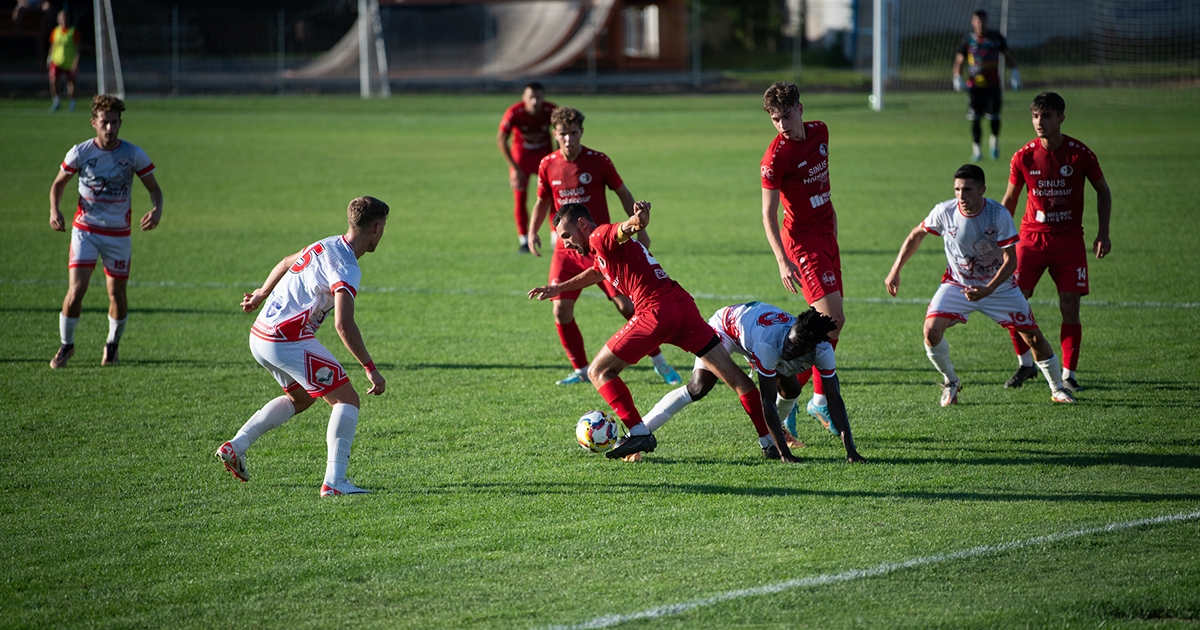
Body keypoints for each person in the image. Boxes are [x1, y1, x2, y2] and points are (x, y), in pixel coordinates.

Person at [529, 202, 799, 463]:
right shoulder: (602, 252)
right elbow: (597, 271)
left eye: (566, 235)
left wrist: (636, 222)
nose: (565, 243)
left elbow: (620, 230)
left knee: (598, 371)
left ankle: (638, 432)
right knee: (736, 378)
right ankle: (768, 442)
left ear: (582, 224)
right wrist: (558, 288)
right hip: (682, 307)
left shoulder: (599, 236)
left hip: (656, 312)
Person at [216, 196, 389, 497]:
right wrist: (370, 369)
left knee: (303, 398)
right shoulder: (347, 267)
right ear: (376, 228)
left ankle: (236, 446)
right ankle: (335, 483)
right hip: (286, 338)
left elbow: (286, 262)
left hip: (260, 335)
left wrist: (260, 293)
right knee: (347, 400)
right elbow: (343, 325)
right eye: (384, 226)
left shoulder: (325, 243)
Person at [884, 164, 1075, 406]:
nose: (961, 196)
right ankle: (951, 382)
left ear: (982, 189)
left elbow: (1011, 260)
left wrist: (988, 290)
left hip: (1000, 288)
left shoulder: (998, 214)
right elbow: (916, 235)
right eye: (957, 189)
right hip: (958, 284)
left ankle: (1058, 389)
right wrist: (894, 271)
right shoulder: (944, 211)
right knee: (931, 331)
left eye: (967, 190)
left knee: (1033, 338)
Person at [528, 106, 681, 387]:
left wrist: (639, 227)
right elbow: (541, 201)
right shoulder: (548, 164)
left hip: (602, 248)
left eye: (574, 133)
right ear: (555, 134)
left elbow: (623, 193)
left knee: (627, 306)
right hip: (568, 251)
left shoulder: (598, 161)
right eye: (563, 134)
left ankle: (660, 363)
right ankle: (581, 370)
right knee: (560, 309)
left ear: (581, 133)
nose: (569, 139)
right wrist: (532, 231)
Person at [642, 303, 866, 462]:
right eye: (790, 343)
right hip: (725, 327)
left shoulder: (822, 349)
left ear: (810, 349)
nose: (789, 350)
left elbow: (835, 398)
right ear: (791, 331)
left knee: (792, 388)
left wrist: (851, 450)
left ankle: (774, 436)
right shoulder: (770, 344)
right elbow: (766, 400)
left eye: (796, 349)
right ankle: (640, 432)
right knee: (699, 386)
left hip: (751, 331)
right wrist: (784, 455)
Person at [998, 92, 1112, 392]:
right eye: (1035, 116)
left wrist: (1103, 232)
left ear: (1061, 118)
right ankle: (1025, 364)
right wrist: (998, 237)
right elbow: (1010, 199)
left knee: (1070, 305)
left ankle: (1068, 375)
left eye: (1046, 116)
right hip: (1031, 239)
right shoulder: (1023, 156)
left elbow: (1103, 190)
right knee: (1014, 302)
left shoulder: (1080, 154)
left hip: (1069, 240)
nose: (1039, 122)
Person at [48, 95, 163, 369]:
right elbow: (58, 184)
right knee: (76, 290)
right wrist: (55, 210)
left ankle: (112, 346)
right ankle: (66, 346)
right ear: (94, 123)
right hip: (85, 230)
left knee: (117, 294)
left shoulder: (133, 154)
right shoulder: (80, 152)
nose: (109, 128)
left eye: (114, 122)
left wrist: (157, 209)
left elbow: (154, 189)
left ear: (120, 123)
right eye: (104, 122)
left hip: (118, 235)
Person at [759, 81, 844, 434]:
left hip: (826, 234)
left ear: (801, 109)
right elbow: (768, 214)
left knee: (833, 324)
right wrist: (782, 260)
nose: (782, 125)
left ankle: (793, 397)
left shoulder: (821, 132)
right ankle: (811, 401)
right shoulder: (774, 158)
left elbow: (824, 186)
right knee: (830, 320)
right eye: (776, 119)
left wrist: (834, 231)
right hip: (802, 243)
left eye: (787, 116)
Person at [952, 9, 1020, 161]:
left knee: (994, 116)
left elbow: (1008, 56)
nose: (980, 24)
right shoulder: (968, 40)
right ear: (973, 22)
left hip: (993, 84)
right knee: (975, 117)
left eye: (983, 20)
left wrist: (1014, 73)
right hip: (975, 86)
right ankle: (977, 150)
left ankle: (994, 141)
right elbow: (959, 60)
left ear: (987, 21)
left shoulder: (996, 38)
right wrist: (957, 77)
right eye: (978, 21)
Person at [497, 82, 556, 253]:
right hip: (521, 158)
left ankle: (556, 237)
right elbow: (501, 139)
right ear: (524, 98)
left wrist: (559, 159)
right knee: (520, 197)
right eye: (531, 97)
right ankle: (523, 239)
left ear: (543, 97)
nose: (534, 101)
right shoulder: (515, 112)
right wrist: (514, 167)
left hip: (544, 157)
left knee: (551, 195)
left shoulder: (550, 111)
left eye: (538, 97)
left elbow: (564, 131)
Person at [47, 9, 79, 113]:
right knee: (53, 81)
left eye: (65, 17)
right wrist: (49, 58)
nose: (64, 19)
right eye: (61, 17)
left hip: (69, 62)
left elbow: (78, 49)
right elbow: (53, 45)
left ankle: (72, 105)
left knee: (71, 84)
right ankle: (57, 102)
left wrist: (76, 63)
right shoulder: (55, 31)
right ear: (58, 19)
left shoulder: (73, 32)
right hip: (57, 61)